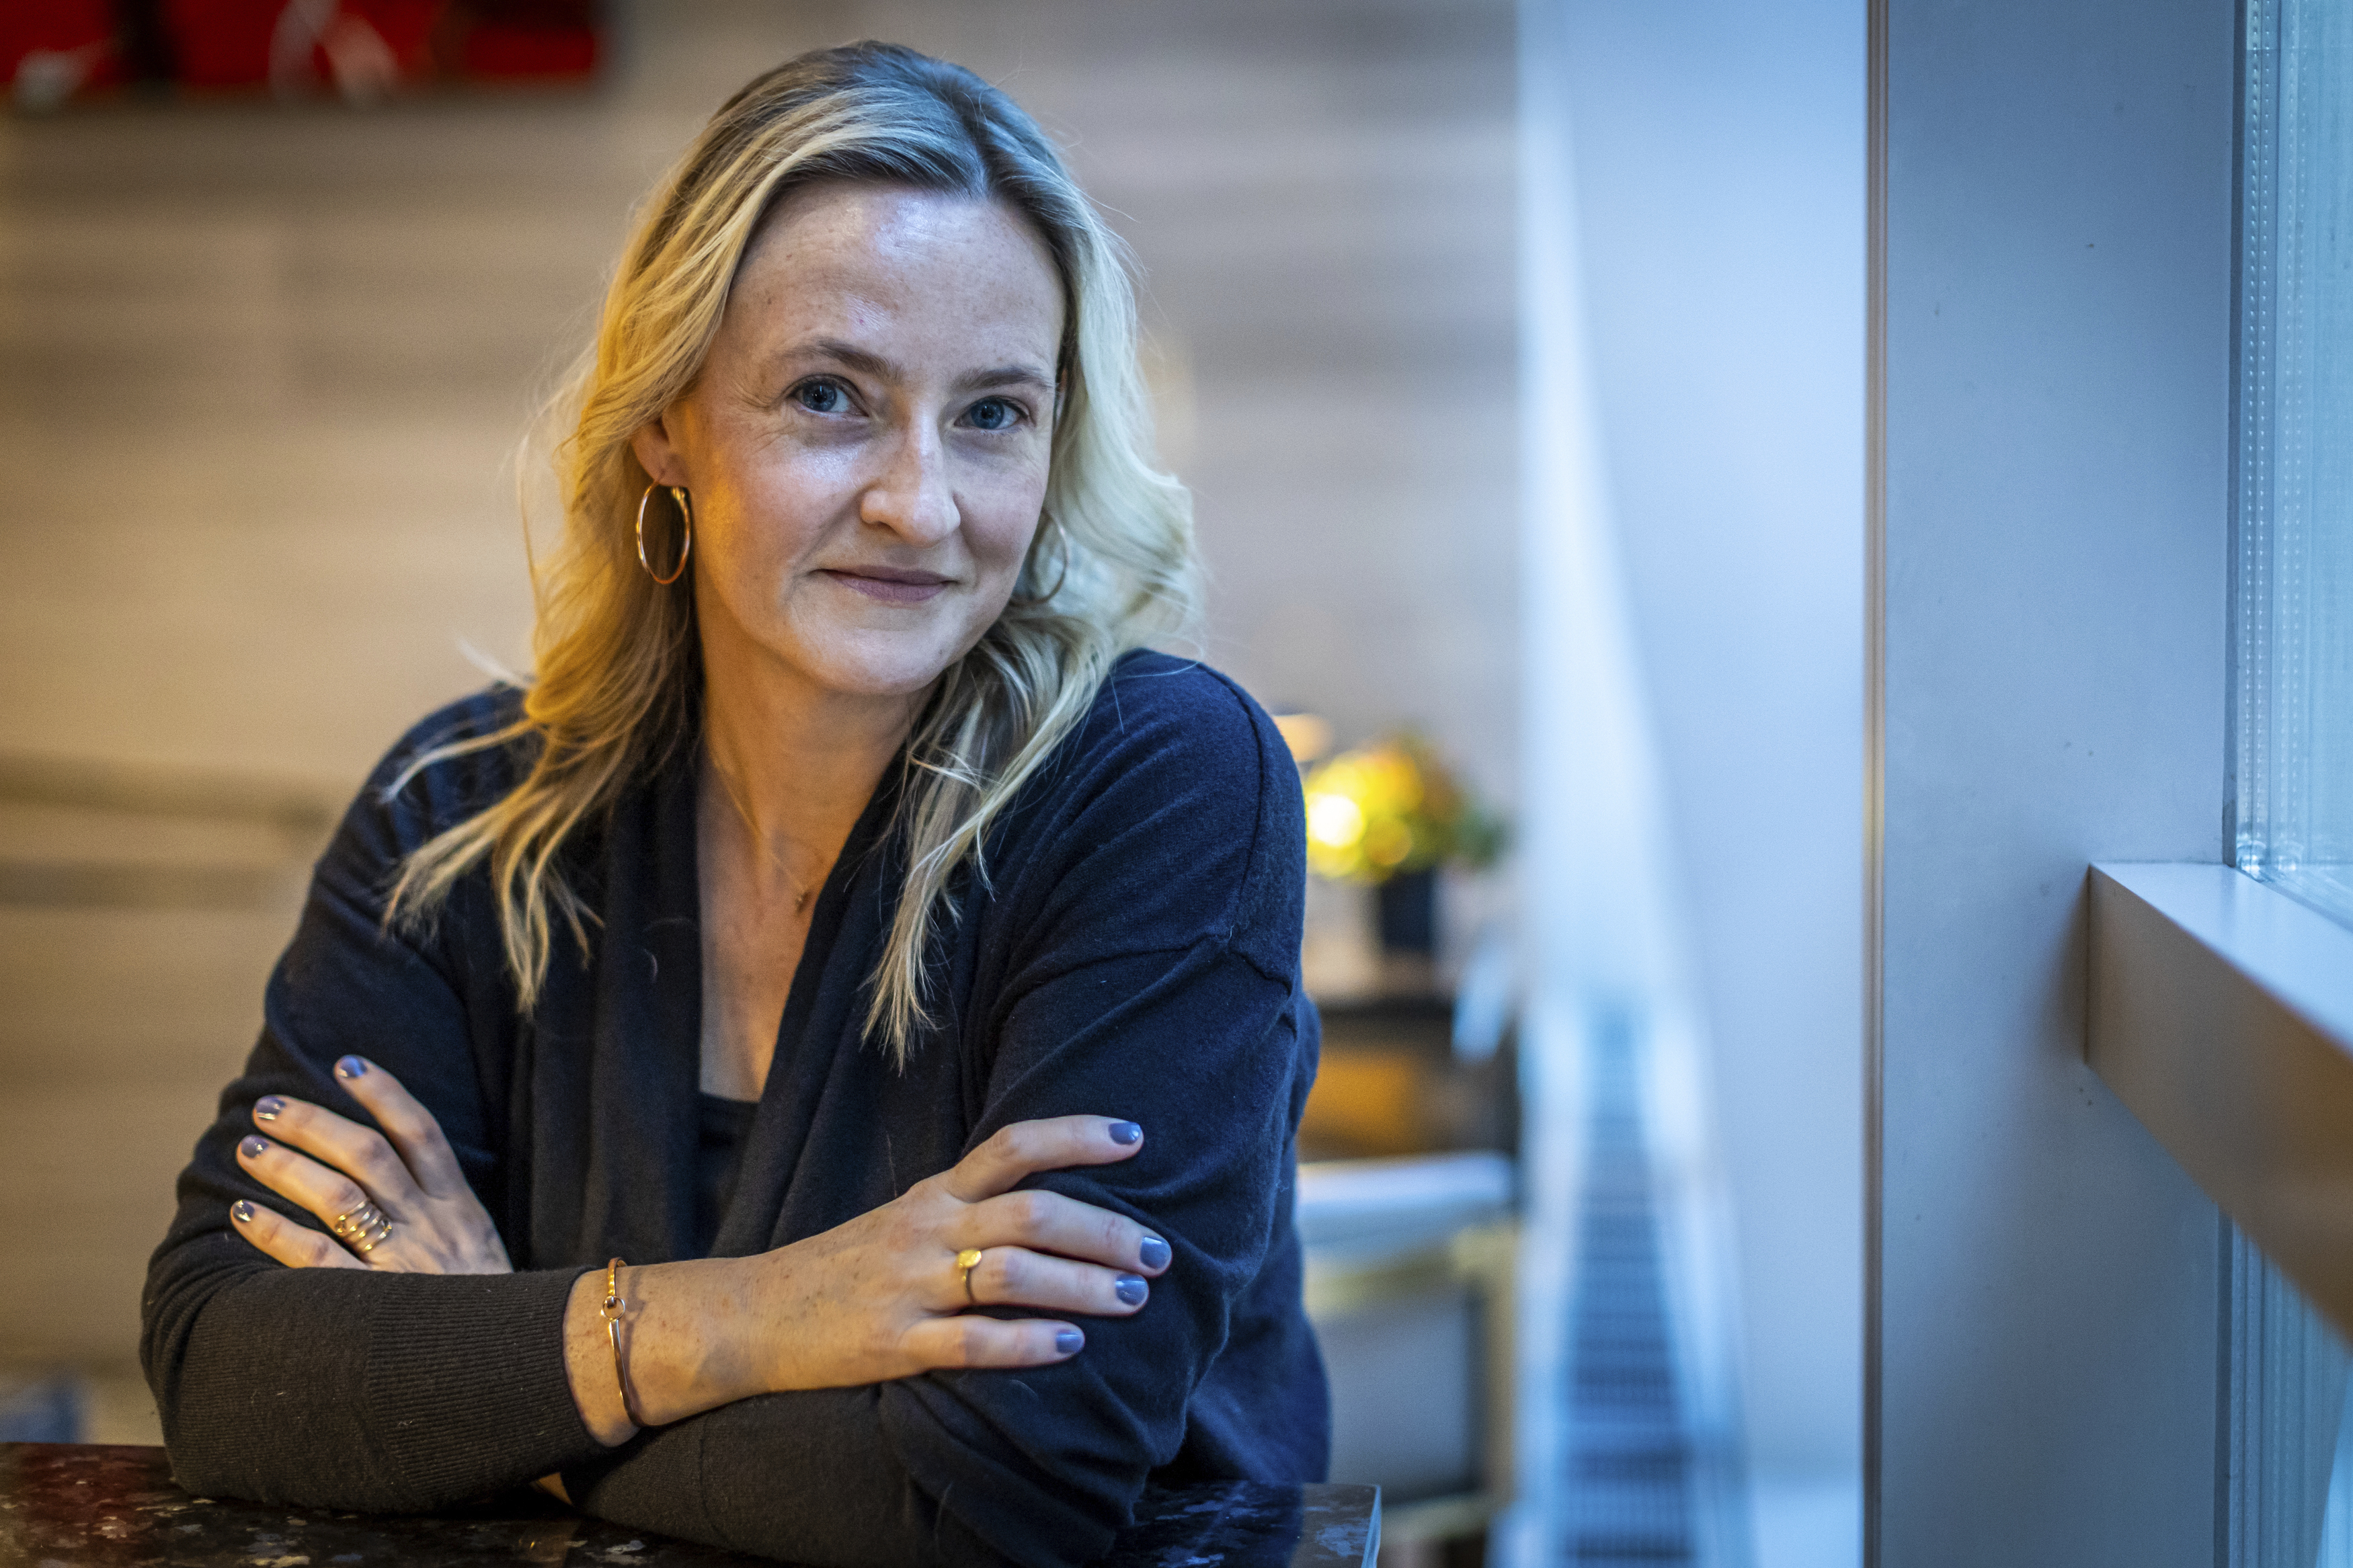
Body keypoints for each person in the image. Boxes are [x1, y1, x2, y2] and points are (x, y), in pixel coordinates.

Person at [138, 41, 1327, 1568]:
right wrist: (762, 1319)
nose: (922, 503)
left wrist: (493, 1396)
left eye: (992, 415)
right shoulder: (462, 817)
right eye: (830, 397)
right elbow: (230, 1368)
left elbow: (987, 1494)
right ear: (666, 420)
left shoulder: (1162, 779)